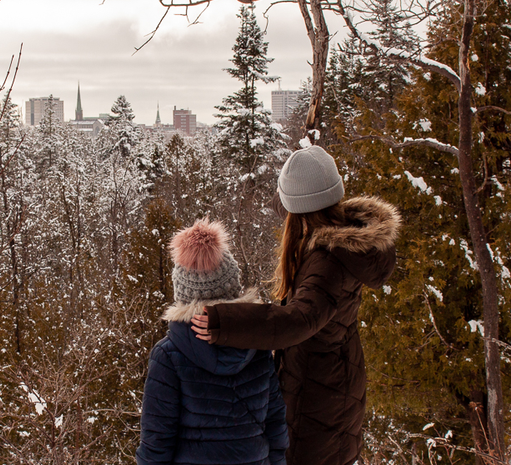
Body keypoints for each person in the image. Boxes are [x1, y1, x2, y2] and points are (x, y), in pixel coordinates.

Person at [190, 145, 401, 465]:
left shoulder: (327, 263)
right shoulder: (344, 236)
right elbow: (301, 205)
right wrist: (284, 192)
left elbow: (296, 319)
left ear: (301, 209)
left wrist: (224, 322)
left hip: (316, 399)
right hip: (333, 381)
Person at [137, 218, 288, 465]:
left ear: (182, 294)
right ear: (233, 287)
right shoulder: (257, 347)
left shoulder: (168, 356)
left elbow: (157, 441)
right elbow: (276, 427)